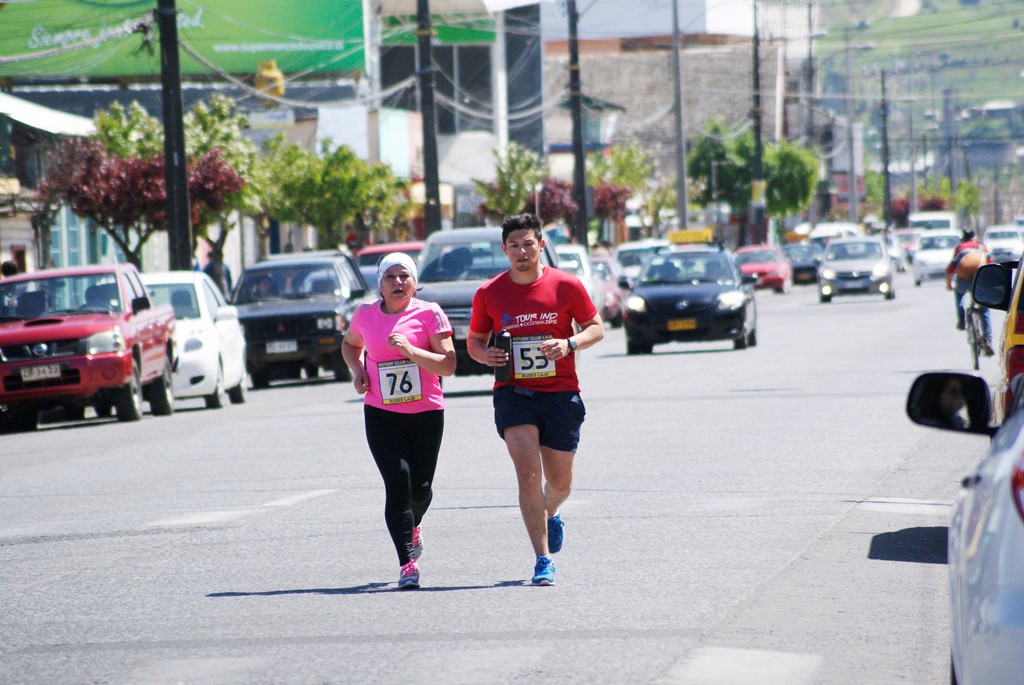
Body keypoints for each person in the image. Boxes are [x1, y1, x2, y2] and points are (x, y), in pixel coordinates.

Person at [466, 213, 605, 586]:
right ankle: (542, 559)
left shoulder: (566, 285)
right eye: (514, 245)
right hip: (513, 393)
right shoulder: (489, 293)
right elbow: (474, 341)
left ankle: (552, 510)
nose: (522, 251)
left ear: (541, 245)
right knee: (527, 472)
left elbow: (596, 328)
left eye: (528, 243)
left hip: (560, 393)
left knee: (560, 484)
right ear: (504, 250)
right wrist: (485, 355)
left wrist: (569, 343)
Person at [341, 253, 456, 590]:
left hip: (426, 413)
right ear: (379, 284)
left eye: (404, 276)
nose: (398, 283)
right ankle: (407, 563)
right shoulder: (365, 315)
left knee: (420, 491)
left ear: (414, 283)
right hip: (381, 413)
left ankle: (414, 523)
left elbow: (448, 365)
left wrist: (410, 351)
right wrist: (359, 370)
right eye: (390, 277)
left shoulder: (429, 313)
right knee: (397, 485)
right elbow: (350, 344)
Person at [945, 229, 993, 356]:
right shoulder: (982, 247)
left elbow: (950, 269)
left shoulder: (960, 248)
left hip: (963, 280)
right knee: (984, 310)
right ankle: (988, 340)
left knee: (959, 294)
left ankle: (961, 318)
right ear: (974, 238)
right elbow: (991, 265)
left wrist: (950, 285)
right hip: (980, 280)